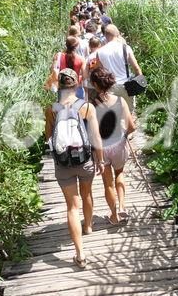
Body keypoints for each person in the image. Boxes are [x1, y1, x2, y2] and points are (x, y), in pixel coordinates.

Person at [44, 68, 105, 269]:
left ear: (59, 86)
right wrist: (101, 160)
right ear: (77, 84)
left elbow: (48, 138)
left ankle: (80, 254)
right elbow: (96, 137)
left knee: (72, 206)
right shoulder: (86, 107)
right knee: (86, 194)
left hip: (63, 164)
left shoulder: (51, 109)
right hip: (85, 161)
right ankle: (87, 226)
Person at [90, 67, 136, 224]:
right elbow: (132, 127)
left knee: (107, 184)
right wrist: (124, 135)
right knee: (120, 174)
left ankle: (114, 216)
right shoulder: (120, 100)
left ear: (95, 85)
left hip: (102, 147)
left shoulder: (91, 105)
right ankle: (123, 206)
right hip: (118, 143)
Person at [96, 24, 142, 112]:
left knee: (113, 114)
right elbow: (136, 68)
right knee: (129, 112)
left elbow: (99, 72)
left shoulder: (100, 52)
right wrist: (139, 83)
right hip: (126, 86)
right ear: (117, 34)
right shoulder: (125, 48)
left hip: (110, 87)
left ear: (105, 35)